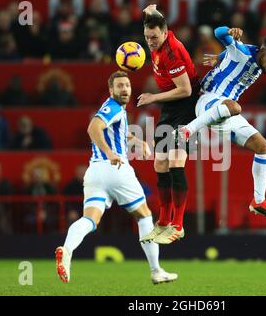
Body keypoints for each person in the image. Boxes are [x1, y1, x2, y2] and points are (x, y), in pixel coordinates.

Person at [55, 71, 177, 285]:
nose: (125, 89)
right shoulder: (111, 106)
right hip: (116, 169)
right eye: (119, 86)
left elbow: (118, 132)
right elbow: (93, 128)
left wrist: (138, 141)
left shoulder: (116, 109)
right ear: (111, 90)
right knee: (145, 216)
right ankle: (156, 270)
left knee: (90, 219)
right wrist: (110, 153)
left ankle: (66, 249)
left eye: (127, 85)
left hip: (95, 172)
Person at [177, 26, 266, 221]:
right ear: (263, 51)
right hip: (207, 102)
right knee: (235, 106)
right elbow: (218, 33)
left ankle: (258, 201)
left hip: (224, 114)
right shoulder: (242, 52)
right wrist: (230, 31)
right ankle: (188, 129)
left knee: (263, 147)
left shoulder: (258, 60)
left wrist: (220, 59)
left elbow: (232, 53)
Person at [137, 5, 200, 244]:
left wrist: (153, 97)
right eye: (146, 37)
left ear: (165, 33)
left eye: (154, 38)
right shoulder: (158, 31)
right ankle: (162, 222)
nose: (150, 42)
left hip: (186, 104)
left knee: (175, 160)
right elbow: (154, 16)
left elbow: (185, 90)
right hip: (171, 107)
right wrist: (150, 10)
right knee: (159, 162)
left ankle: (178, 225)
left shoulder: (171, 53)